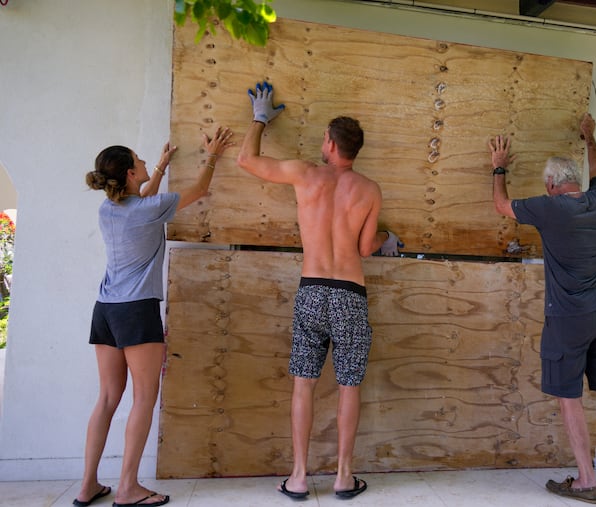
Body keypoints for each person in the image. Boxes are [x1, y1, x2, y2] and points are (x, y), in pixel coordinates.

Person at [237, 81, 402, 501]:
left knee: (303, 385)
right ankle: (345, 477)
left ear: (329, 144)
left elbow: (246, 160)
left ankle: (298, 477)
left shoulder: (305, 175)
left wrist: (260, 118)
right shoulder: (369, 189)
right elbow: (366, 248)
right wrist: (387, 235)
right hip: (349, 293)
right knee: (349, 385)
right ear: (355, 151)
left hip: (311, 290)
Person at [76, 126, 234, 507]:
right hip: (137, 310)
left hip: (106, 311)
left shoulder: (109, 209)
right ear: (130, 173)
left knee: (108, 398)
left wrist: (161, 166)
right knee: (144, 398)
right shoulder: (148, 209)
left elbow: (141, 202)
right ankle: (128, 488)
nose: (146, 160)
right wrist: (211, 155)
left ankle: (87, 486)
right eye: (141, 159)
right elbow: (198, 192)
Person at [490, 113, 596, 504]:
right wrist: (591, 138)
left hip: (568, 318)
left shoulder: (550, 208)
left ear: (551, 185)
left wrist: (498, 167)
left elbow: (502, 206)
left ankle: (586, 480)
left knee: (569, 396)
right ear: (576, 182)